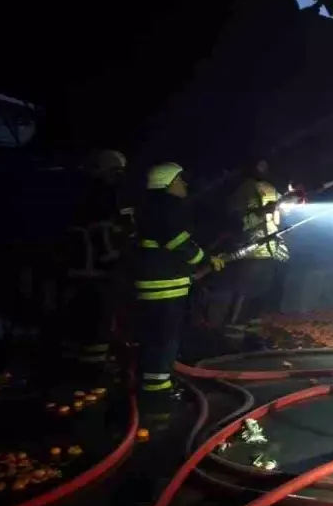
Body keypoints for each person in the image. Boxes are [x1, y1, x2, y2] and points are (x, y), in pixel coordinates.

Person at [132, 163, 224, 402]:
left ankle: (154, 384)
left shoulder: (152, 207)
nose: (184, 184)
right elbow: (178, 243)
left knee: (156, 338)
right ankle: (158, 393)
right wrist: (205, 259)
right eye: (180, 180)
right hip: (164, 287)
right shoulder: (166, 208)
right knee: (164, 339)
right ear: (167, 182)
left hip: (158, 284)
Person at [57, 149, 131, 373]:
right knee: (96, 328)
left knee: (76, 326)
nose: (120, 176)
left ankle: (67, 372)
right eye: (116, 171)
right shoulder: (106, 199)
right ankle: (90, 374)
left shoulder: (80, 196)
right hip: (99, 275)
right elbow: (109, 237)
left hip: (76, 274)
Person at [223, 159, 289, 327]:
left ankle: (252, 318)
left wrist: (291, 199)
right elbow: (236, 216)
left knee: (264, 284)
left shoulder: (270, 188)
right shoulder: (244, 189)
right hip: (250, 244)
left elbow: (282, 209)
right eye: (258, 166)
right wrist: (261, 212)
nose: (261, 170)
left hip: (270, 244)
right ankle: (232, 322)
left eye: (264, 166)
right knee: (244, 286)